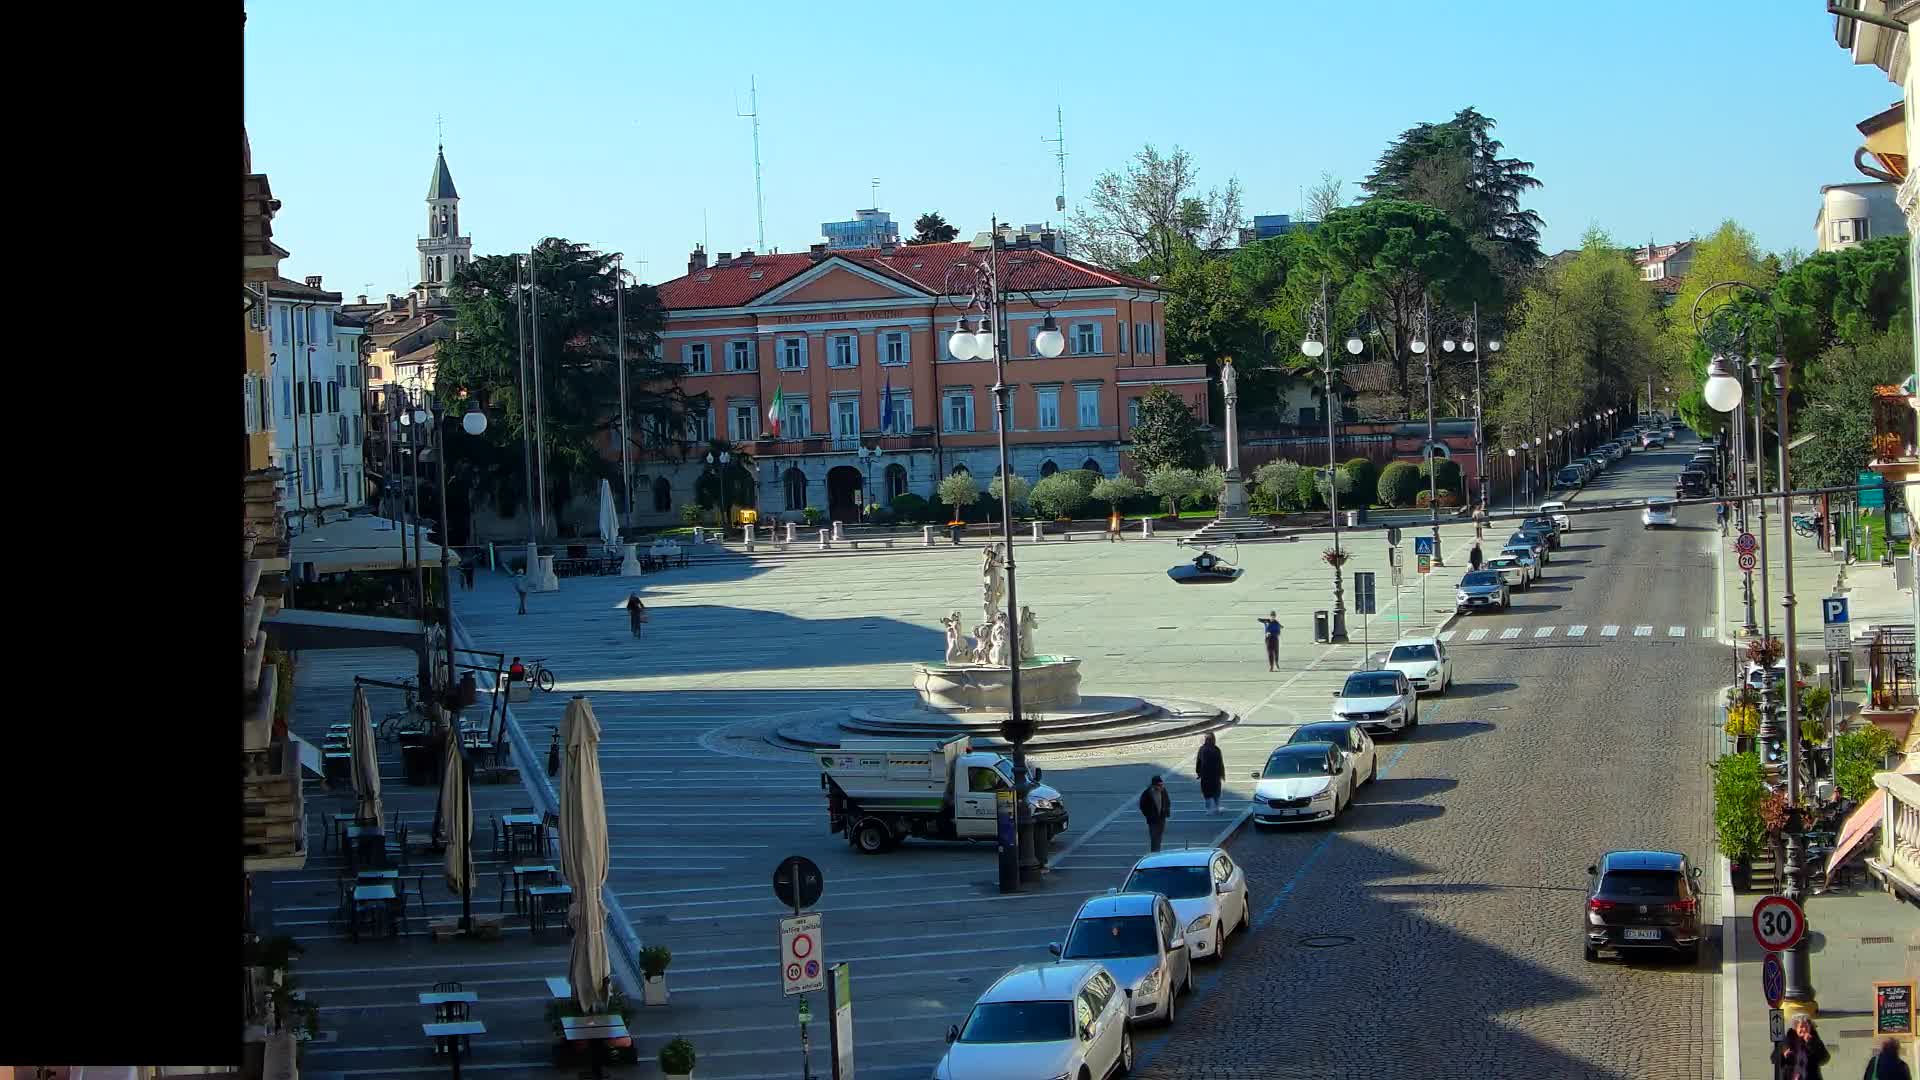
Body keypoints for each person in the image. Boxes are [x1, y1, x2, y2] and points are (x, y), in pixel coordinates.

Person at [1771, 1014, 1830, 1080]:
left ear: (1810, 1027)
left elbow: (1825, 1059)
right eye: (1801, 1027)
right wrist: (1783, 1055)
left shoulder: (1815, 1040)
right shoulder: (1786, 1041)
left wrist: (1811, 1043)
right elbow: (1773, 1059)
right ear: (1795, 1028)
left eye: (1806, 1027)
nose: (1804, 1029)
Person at [1138, 775, 1171, 852]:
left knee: (1159, 836)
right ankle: (1154, 852)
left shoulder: (1163, 791)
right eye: (1159, 785)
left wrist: (1166, 812)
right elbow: (1142, 805)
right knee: (1154, 837)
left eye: (1162, 784)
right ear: (1154, 785)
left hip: (1161, 818)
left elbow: (1167, 801)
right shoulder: (1147, 793)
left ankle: (1157, 851)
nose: (1161, 786)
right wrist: (1148, 815)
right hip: (1152, 819)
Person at [1195, 734, 1225, 814]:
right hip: (1215, 776)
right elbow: (1220, 763)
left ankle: (1208, 810)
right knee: (1216, 792)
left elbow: (1198, 762)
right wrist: (1222, 774)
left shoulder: (1202, 749)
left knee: (1207, 793)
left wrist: (1198, 773)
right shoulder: (1216, 749)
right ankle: (1216, 808)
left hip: (1205, 776)